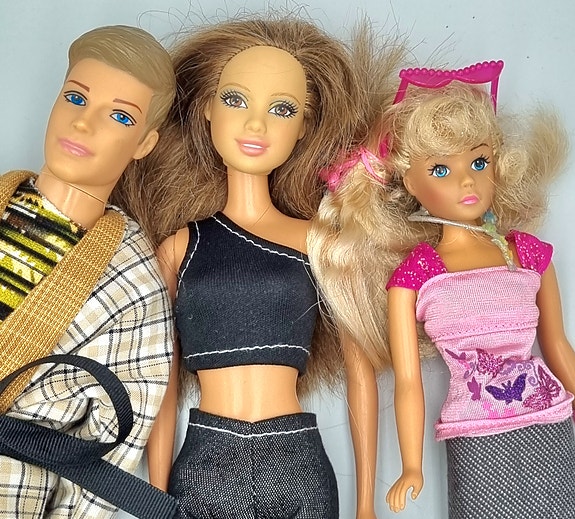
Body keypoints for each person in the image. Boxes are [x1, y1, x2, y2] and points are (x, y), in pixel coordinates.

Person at [113, 15, 405, 519]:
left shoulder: (318, 241)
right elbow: (160, 381)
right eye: (235, 100)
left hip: (296, 461)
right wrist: (155, 498)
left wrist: (366, 505)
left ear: (304, 126)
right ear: (207, 108)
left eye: (282, 109)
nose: (256, 124)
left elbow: (360, 372)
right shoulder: (180, 248)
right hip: (206, 460)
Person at [312, 61, 575, 518]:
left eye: (478, 162)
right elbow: (408, 381)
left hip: (550, 420)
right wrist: (411, 466)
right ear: (410, 182)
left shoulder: (527, 254)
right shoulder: (417, 275)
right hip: (472, 432)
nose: (466, 180)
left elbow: (557, 345)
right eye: (440, 169)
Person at [0, 25, 176, 517]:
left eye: (119, 116)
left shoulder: (134, 284)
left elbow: (115, 445)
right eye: (75, 98)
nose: (83, 123)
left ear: (144, 143)